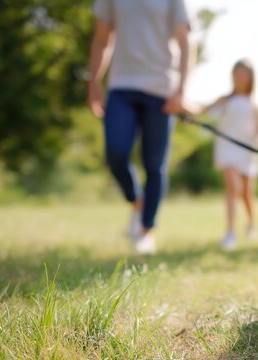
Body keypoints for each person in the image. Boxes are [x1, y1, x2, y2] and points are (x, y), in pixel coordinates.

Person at [87, 0, 191, 254]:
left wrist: (181, 91)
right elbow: (102, 38)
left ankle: (147, 230)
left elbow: (186, 42)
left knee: (154, 164)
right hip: (122, 85)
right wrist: (93, 82)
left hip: (161, 88)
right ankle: (137, 200)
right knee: (116, 153)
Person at [193, 60, 258, 250]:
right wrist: (184, 109)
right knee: (233, 188)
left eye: (244, 74)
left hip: (247, 151)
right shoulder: (225, 100)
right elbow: (202, 110)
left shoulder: (255, 105)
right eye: (237, 73)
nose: (240, 77)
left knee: (246, 193)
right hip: (227, 150)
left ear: (251, 78)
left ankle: (251, 224)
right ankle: (230, 232)